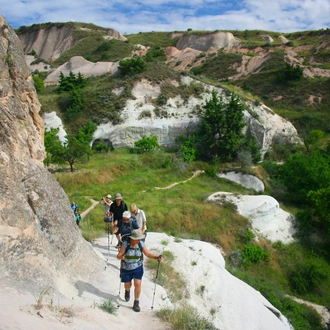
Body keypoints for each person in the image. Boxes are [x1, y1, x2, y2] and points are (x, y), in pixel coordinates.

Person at [117, 229, 162, 312]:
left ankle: (136, 302)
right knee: (127, 285)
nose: (139, 240)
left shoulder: (141, 244)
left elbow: (147, 254)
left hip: (138, 267)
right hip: (126, 268)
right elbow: (118, 255)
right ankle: (127, 291)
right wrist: (121, 257)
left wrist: (156, 257)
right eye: (137, 239)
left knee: (137, 284)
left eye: (139, 238)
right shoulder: (125, 244)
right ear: (132, 238)